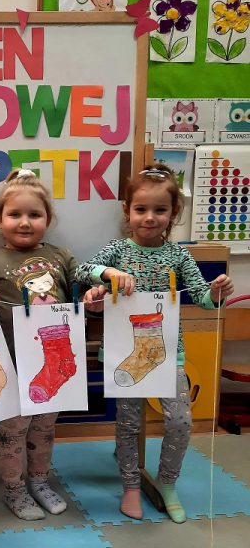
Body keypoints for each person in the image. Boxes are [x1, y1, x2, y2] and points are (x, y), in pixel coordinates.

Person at [76, 164, 234, 522]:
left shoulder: (178, 255)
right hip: (125, 351)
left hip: (167, 353)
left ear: (172, 213)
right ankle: (131, 485)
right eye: (141, 209)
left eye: (160, 210)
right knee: (128, 423)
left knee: (180, 421)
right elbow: (82, 270)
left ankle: (167, 482)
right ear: (127, 211)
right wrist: (109, 273)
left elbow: (202, 297)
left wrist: (215, 293)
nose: (149, 217)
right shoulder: (118, 249)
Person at [0, 168, 76, 520]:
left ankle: (40, 481)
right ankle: (13, 488)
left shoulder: (61, 256)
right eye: (14, 214)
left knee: (44, 427)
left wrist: (97, 294)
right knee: (13, 429)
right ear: (0, 219)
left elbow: (81, 293)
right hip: (11, 363)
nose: (25, 222)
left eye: (34, 215)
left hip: (53, 361)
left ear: (48, 219)